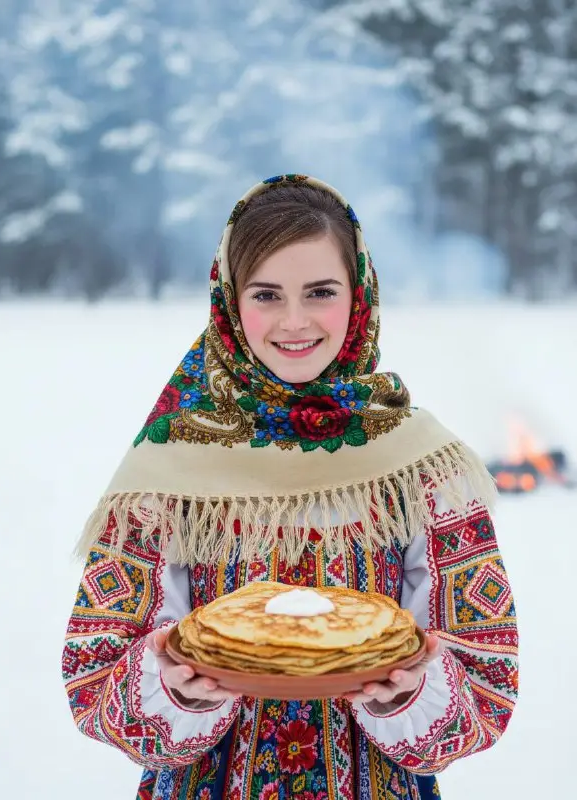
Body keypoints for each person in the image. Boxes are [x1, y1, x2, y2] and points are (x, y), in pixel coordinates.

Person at [62, 174, 518, 800]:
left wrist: (412, 692)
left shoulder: (420, 467)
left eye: (321, 292)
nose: (294, 321)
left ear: (359, 297)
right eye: (267, 294)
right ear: (229, 300)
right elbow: (94, 680)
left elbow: (488, 680)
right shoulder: (171, 466)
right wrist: (173, 688)